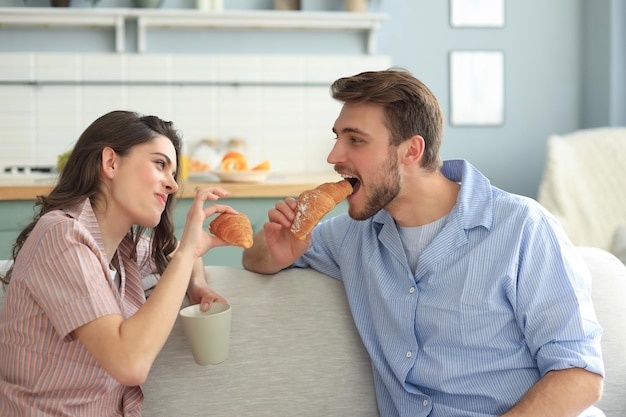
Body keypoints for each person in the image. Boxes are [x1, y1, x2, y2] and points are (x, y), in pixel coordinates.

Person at [242, 69, 605, 417]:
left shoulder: (523, 227)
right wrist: (274, 251)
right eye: (336, 137)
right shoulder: (350, 236)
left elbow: (580, 375)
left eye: (355, 140)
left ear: (412, 151)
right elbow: (255, 260)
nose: (334, 157)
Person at [0, 110, 238, 416]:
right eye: (159, 164)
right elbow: (131, 364)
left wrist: (198, 283)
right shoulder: (61, 236)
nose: (173, 185)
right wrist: (187, 253)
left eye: (173, 174)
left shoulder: (122, 248)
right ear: (111, 162)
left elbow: (174, 251)